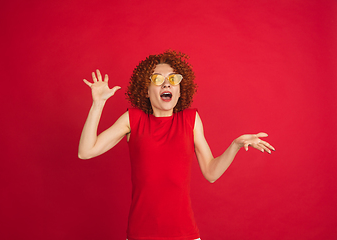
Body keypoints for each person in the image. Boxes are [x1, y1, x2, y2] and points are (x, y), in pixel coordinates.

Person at [78, 50, 275, 240]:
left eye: (173, 79)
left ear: (180, 90)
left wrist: (235, 145)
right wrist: (98, 104)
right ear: (146, 90)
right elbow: (86, 151)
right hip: (141, 233)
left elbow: (211, 173)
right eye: (157, 79)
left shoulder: (191, 120)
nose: (166, 84)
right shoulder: (132, 119)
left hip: (184, 234)